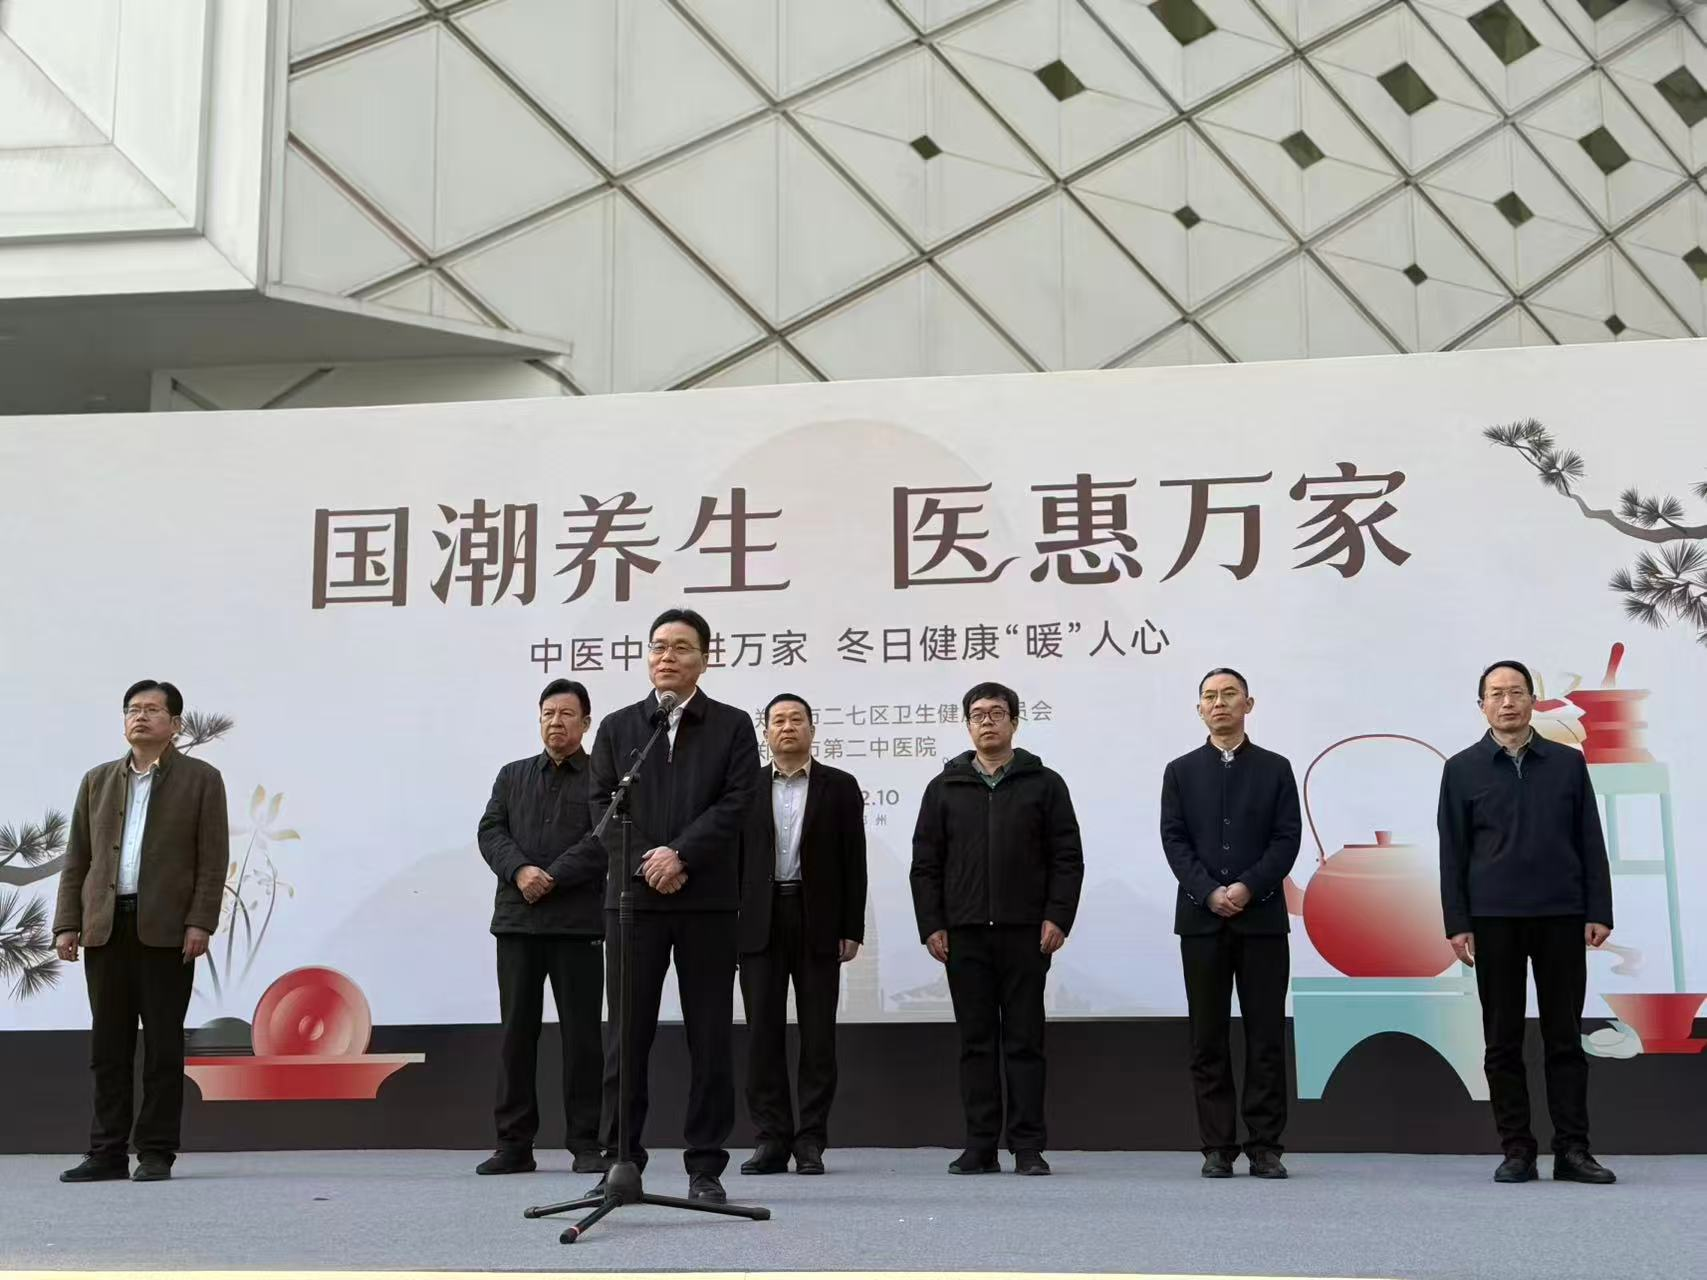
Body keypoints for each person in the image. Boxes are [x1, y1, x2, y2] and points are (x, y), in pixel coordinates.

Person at [584, 607, 760, 1204]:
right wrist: (646, 862)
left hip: (706, 902)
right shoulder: (619, 728)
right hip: (632, 903)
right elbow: (601, 807)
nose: (667, 656)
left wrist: (680, 855)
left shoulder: (732, 726)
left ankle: (705, 1167)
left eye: (681, 647)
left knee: (709, 1037)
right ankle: (620, 1161)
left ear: (704, 658)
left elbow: (738, 802)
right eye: (658, 646)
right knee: (625, 1037)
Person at [1438, 660, 1616, 1185]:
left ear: (1533, 701)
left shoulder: (1566, 763)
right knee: (1502, 1041)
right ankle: (1517, 1149)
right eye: (1496, 694)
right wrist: (1457, 922)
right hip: (1493, 919)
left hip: (1561, 914)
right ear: (1482, 706)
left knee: (1564, 1038)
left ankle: (1573, 1150)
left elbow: (1590, 839)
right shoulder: (1462, 769)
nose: (1507, 702)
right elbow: (1453, 852)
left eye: (1516, 692)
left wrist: (1598, 909)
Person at [53, 680, 228, 1183]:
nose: (140, 716)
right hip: (105, 926)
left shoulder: (201, 779)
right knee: (107, 1048)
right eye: (133, 709)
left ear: (175, 724)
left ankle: (155, 1151)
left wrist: (200, 921)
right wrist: (68, 922)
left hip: (168, 929)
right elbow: (77, 858)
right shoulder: (97, 781)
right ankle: (106, 1151)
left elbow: (212, 859)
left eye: (152, 709)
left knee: (163, 1048)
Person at [909, 681, 1083, 1177]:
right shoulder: (943, 788)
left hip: (1027, 933)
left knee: (1025, 1042)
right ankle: (980, 1145)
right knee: (976, 1043)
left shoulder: (1044, 784)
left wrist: (1058, 916)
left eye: (997, 713)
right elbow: (926, 864)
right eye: (978, 714)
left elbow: (1067, 858)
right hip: (964, 934)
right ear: (967, 725)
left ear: (1014, 722)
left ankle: (1027, 1146)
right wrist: (932, 924)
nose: (987, 721)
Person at [1159, 668, 1300, 1179]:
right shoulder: (1180, 771)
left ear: (1248, 704)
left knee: (1265, 1036)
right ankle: (1217, 1146)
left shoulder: (1275, 768)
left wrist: (1247, 887)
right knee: (1208, 1037)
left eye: (1229, 695)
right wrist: (1208, 891)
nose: (1219, 703)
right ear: (1199, 709)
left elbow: (1286, 839)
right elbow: (1174, 840)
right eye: (1209, 697)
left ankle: (1265, 1146)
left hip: (1261, 920)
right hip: (1201, 921)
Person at [474, 679, 608, 1176]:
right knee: (516, 1035)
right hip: (518, 923)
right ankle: (514, 1144)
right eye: (548, 713)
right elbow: (491, 831)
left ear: (586, 723)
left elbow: (603, 840)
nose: (556, 722)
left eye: (567, 714)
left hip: (577, 926)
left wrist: (552, 877)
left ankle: (586, 1142)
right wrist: (521, 871)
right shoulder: (512, 776)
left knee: (583, 1039)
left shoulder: (602, 779)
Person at [738, 693, 867, 1177]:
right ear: (766, 732)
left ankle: (811, 1140)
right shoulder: (744, 786)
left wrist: (850, 926)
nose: (787, 727)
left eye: (797, 719)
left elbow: (854, 860)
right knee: (761, 1036)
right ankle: (770, 1139)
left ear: (813, 729)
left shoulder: (840, 786)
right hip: (759, 920)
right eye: (778, 720)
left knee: (818, 1037)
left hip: (819, 920)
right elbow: (731, 859)